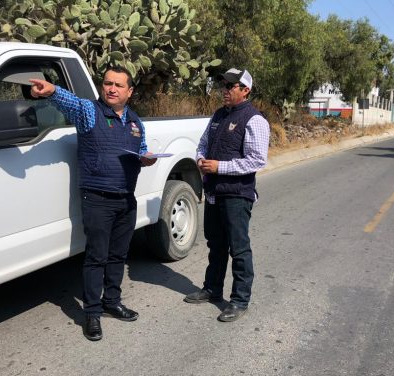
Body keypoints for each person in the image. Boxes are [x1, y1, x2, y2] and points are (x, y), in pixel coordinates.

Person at [29, 66, 156, 341]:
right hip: (98, 198)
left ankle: (112, 302)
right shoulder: (90, 112)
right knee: (96, 257)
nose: (111, 88)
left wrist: (146, 157)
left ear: (129, 91)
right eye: (107, 83)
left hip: (126, 198)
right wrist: (51, 91)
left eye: (118, 85)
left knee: (118, 256)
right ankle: (92, 313)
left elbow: (141, 148)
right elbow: (71, 103)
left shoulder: (135, 121)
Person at [184, 68, 269, 322]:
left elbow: (257, 160)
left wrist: (220, 167)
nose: (226, 90)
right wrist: (200, 158)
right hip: (214, 193)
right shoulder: (219, 115)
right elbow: (203, 143)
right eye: (224, 85)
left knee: (239, 248)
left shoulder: (255, 120)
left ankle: (240, 299)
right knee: (216, 244)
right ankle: (212, 288)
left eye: (232, 86)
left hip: (236, 195)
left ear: (245, 90)